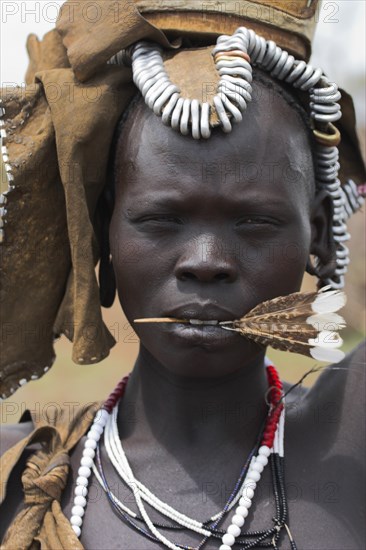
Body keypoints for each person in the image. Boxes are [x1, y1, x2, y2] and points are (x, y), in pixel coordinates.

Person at [0, 1, 365, 549]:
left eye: (255, 222)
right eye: (160, 220)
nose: (206, 260)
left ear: (314, 233)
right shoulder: (19, 480)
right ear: (101, 235)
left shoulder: (350, 437)